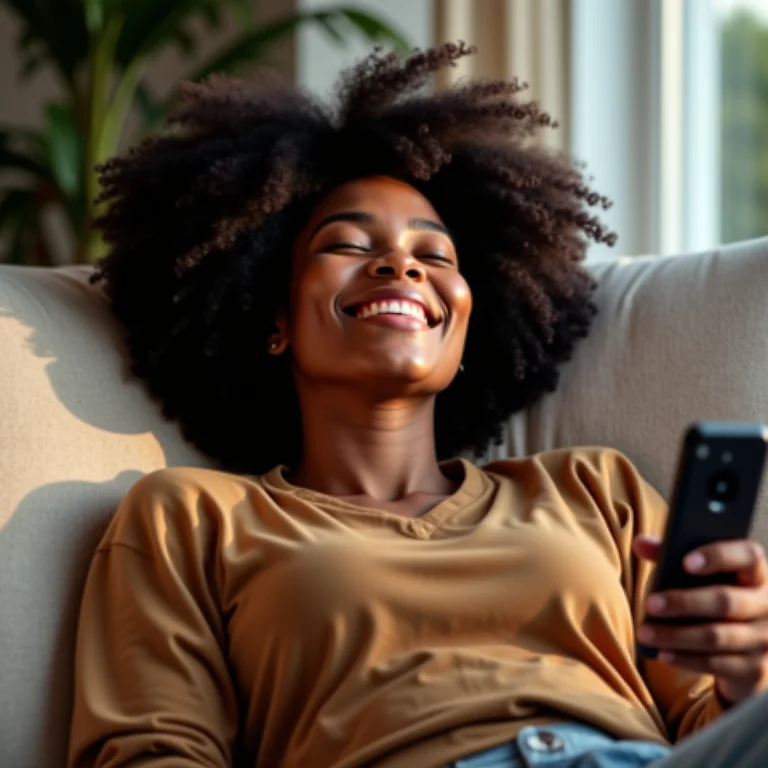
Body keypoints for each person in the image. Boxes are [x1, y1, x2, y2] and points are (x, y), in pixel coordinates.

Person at [68, 44, 768, 768]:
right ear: (273, 318)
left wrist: (746, 678)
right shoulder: (193, 517)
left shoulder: (597, 491)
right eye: (345, 244)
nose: (399, 263)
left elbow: (705, 723)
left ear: (465, 330)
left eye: (433, 257)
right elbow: (153, 753)